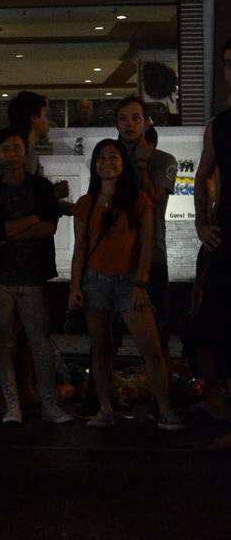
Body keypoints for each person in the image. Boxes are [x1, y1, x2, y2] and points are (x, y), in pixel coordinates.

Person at [69, 139, 182, 431]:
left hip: (130, 282)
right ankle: (106, 408)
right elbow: (80, 248)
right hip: (94, 282)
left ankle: (166, 411)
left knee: (151, 348)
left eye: (113, 157)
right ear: (94, 166)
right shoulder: (86, 204)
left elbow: (146, 244)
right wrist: (75, 286)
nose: (107, 162)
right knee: (101, 347)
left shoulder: (139, 201)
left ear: (123, 164)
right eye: (101, 157)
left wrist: (141, 282)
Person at [0, 128, 71, 426]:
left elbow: (49, 227)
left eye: (16, 148)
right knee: (3, 343)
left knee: (39, 342)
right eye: (6, 149)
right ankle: (12, 405)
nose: (12, 155)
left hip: (33, 276)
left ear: (25, 152)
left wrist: (12, 229)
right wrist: (30, 221)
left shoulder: (41, 187)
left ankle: (48, 403)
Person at [192, 36, 231, 448]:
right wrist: (202, 222)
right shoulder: (220, 124)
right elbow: (203, 175)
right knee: (216, 323)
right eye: (227, 64)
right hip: (227, 233)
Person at [115, 96, 177, 347]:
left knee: (156, 333)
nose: (129, 124)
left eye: (135, 118)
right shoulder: (110, 157)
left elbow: (152, 200)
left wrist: (141, 165)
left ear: (146, 123)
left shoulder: (164, 160)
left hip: (152, 253)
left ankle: (159, 383)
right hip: (114, 254)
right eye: (123, 118)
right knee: (110, 333)